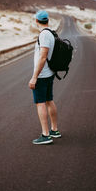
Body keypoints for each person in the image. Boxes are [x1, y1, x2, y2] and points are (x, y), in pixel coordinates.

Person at [29, 10, 61, 145]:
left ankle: (45, 134)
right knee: (49, 100)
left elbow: (43, 57)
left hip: (42, 75)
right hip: (50, 73)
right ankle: (54, 130)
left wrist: (34, 77)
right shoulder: (51, 33)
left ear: (37, 21)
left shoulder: (44, 35)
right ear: (47, 20)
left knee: (40, 103)